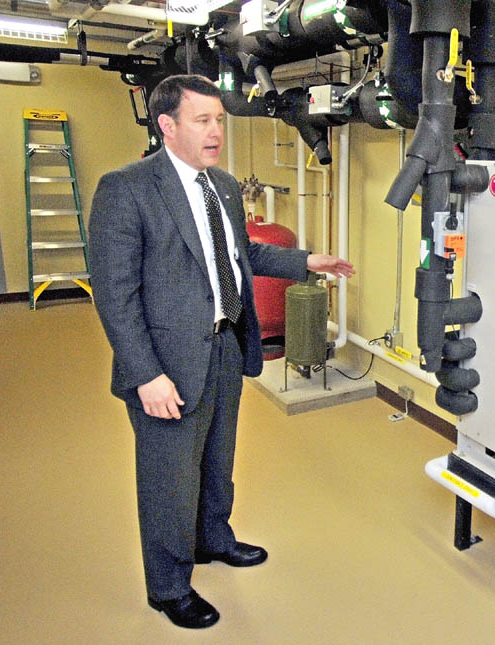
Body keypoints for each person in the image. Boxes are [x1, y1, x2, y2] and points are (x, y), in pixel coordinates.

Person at [88, 74, 355, 629]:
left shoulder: (224, 187)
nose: (216, 131)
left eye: (219, 120)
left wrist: (306, 261)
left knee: (217, 458)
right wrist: (146, 375)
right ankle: (168, 587)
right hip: (166, 364)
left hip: (225, 346)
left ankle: (213, 537)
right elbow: (115, 295)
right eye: (202, 120)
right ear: (167, 125)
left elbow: (241, 254)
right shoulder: (128, 188)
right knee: (168, 477)